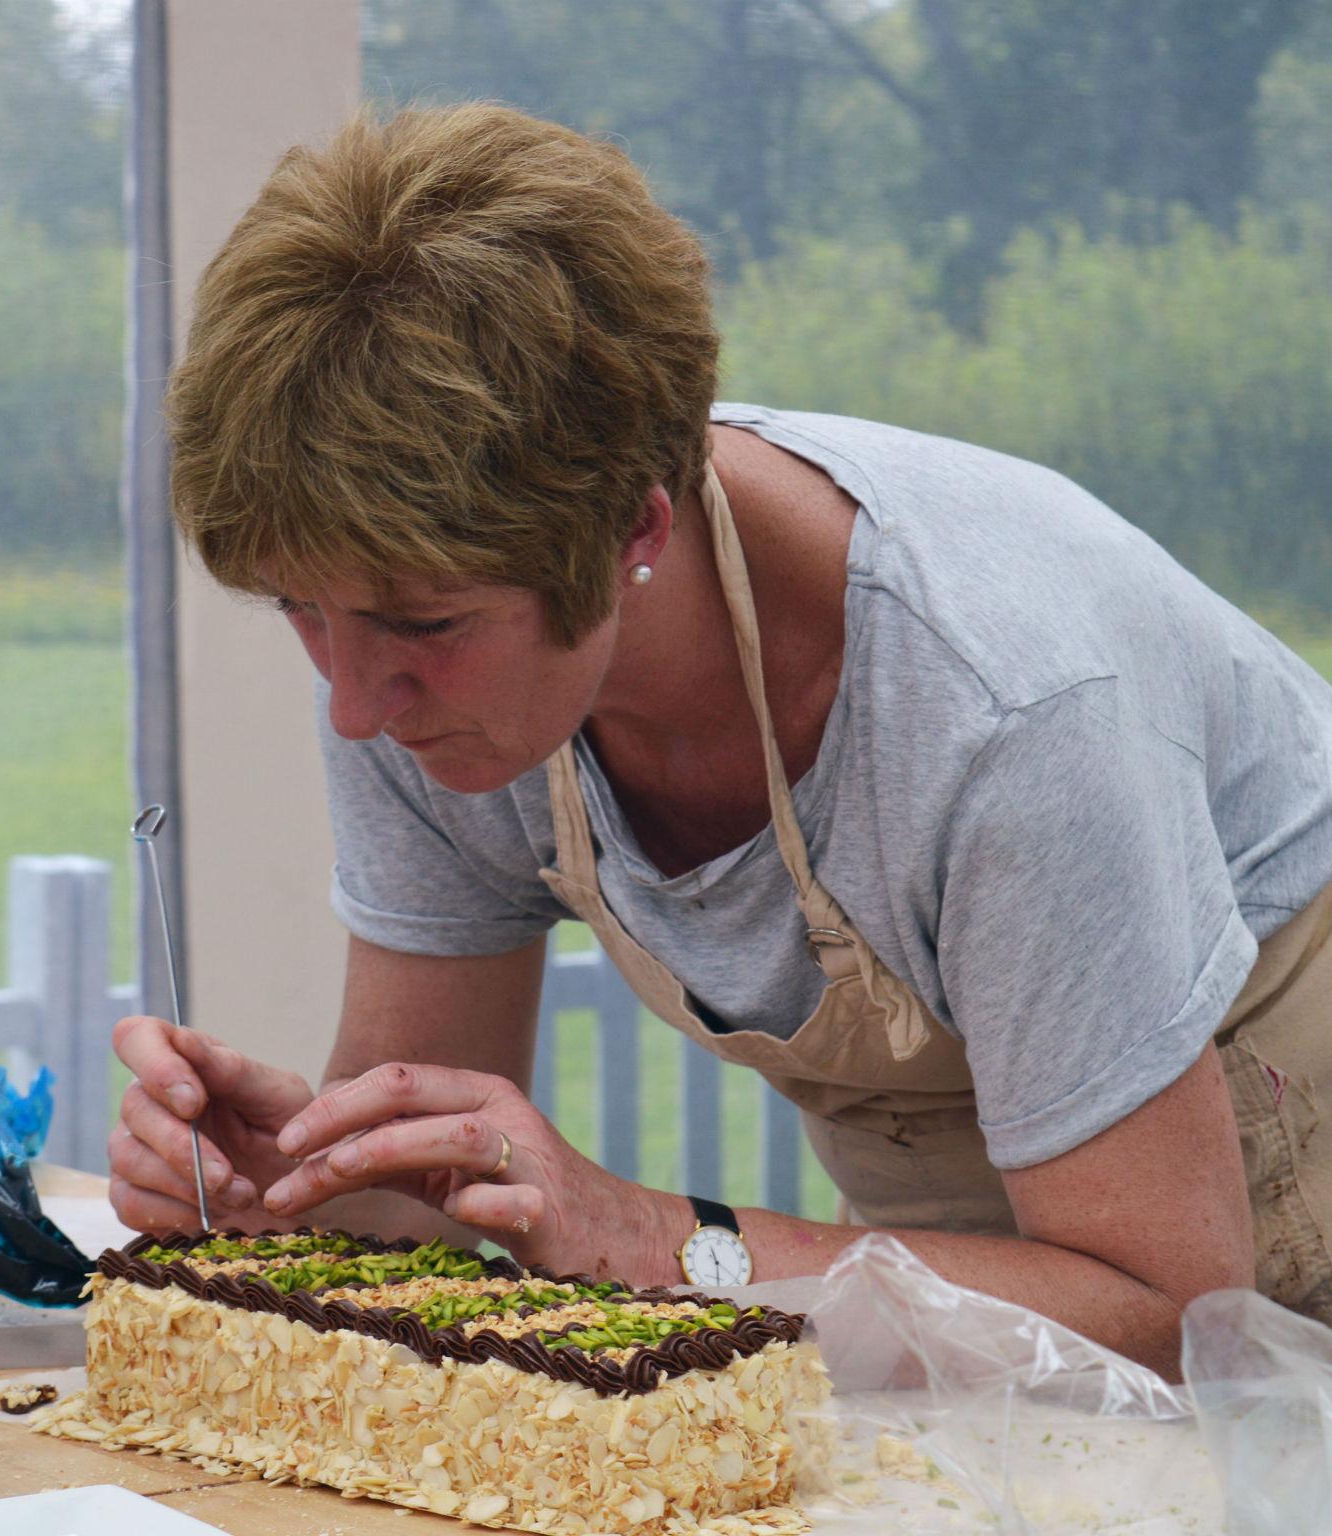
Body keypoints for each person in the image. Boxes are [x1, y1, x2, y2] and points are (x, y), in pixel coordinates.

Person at [108, 103, 1332, 1376]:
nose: (355, 702)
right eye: (300, 608)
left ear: (635, 529)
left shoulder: (1001, 712)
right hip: (1003, 1261)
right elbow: (413, 1174)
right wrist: (291, 1182)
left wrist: (644, 1235)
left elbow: (1169, 1316)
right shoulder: (424, 631)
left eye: (422, 623)